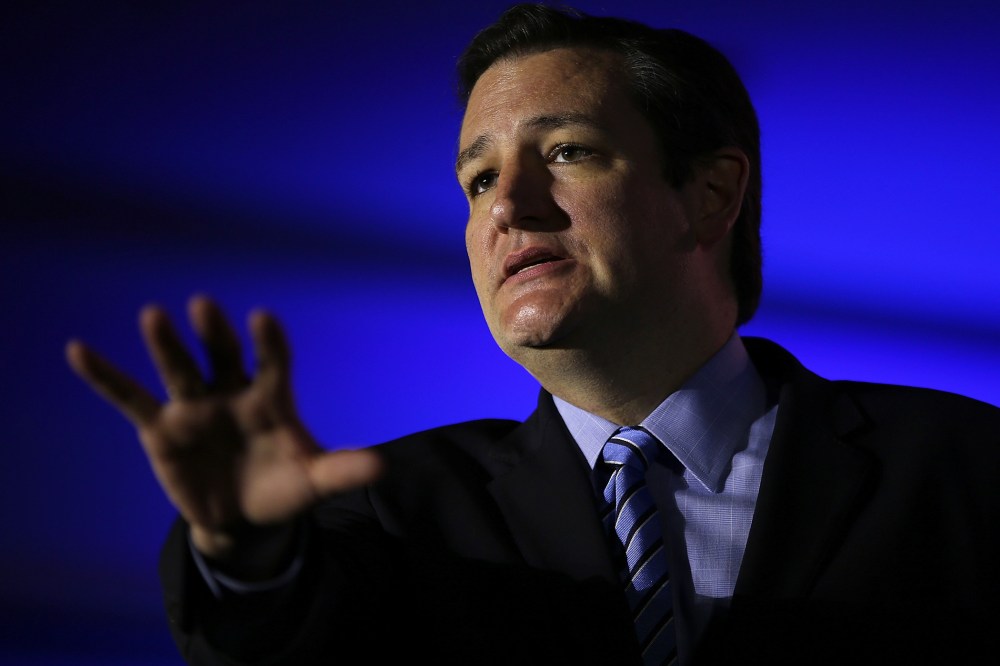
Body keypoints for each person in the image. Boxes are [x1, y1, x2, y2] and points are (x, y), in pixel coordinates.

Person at [66, 4, 999, 665]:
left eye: (565, 153)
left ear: (710, 194)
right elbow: (276, 638)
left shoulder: (968, 471)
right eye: (478, 180)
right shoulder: (387, 520)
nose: (509, 205)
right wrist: (243, 556)